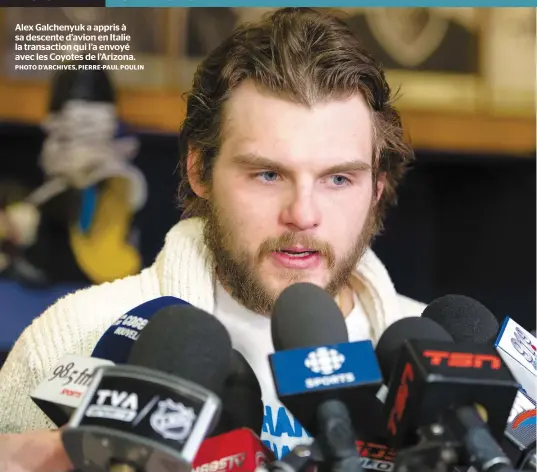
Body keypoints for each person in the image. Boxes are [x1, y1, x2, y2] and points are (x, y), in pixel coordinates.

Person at [0, 6, 425, 466]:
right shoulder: (74, 335)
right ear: (199, 170)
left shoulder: (444, 362)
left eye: (338, 179)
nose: (303, 214)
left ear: (377, 188)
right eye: (267, 174)